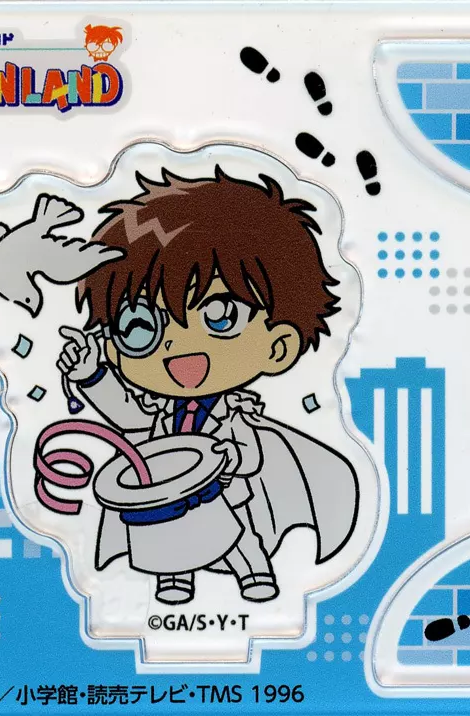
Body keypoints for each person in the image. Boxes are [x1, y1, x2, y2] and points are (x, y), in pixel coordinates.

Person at [56, 166, 358, 605]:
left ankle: (255, 572)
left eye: (220, 315)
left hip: (225, 494)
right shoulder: (162, 412)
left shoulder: (233, 413)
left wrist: (229, 456)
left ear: (278, 346)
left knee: (239, 539)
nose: (178, 345)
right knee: (168, 542)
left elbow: (251, 452)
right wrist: (92, 375)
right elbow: (130, 418)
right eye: (140, 326)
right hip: (168, 496)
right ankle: (174, 579)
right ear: (115, 347)